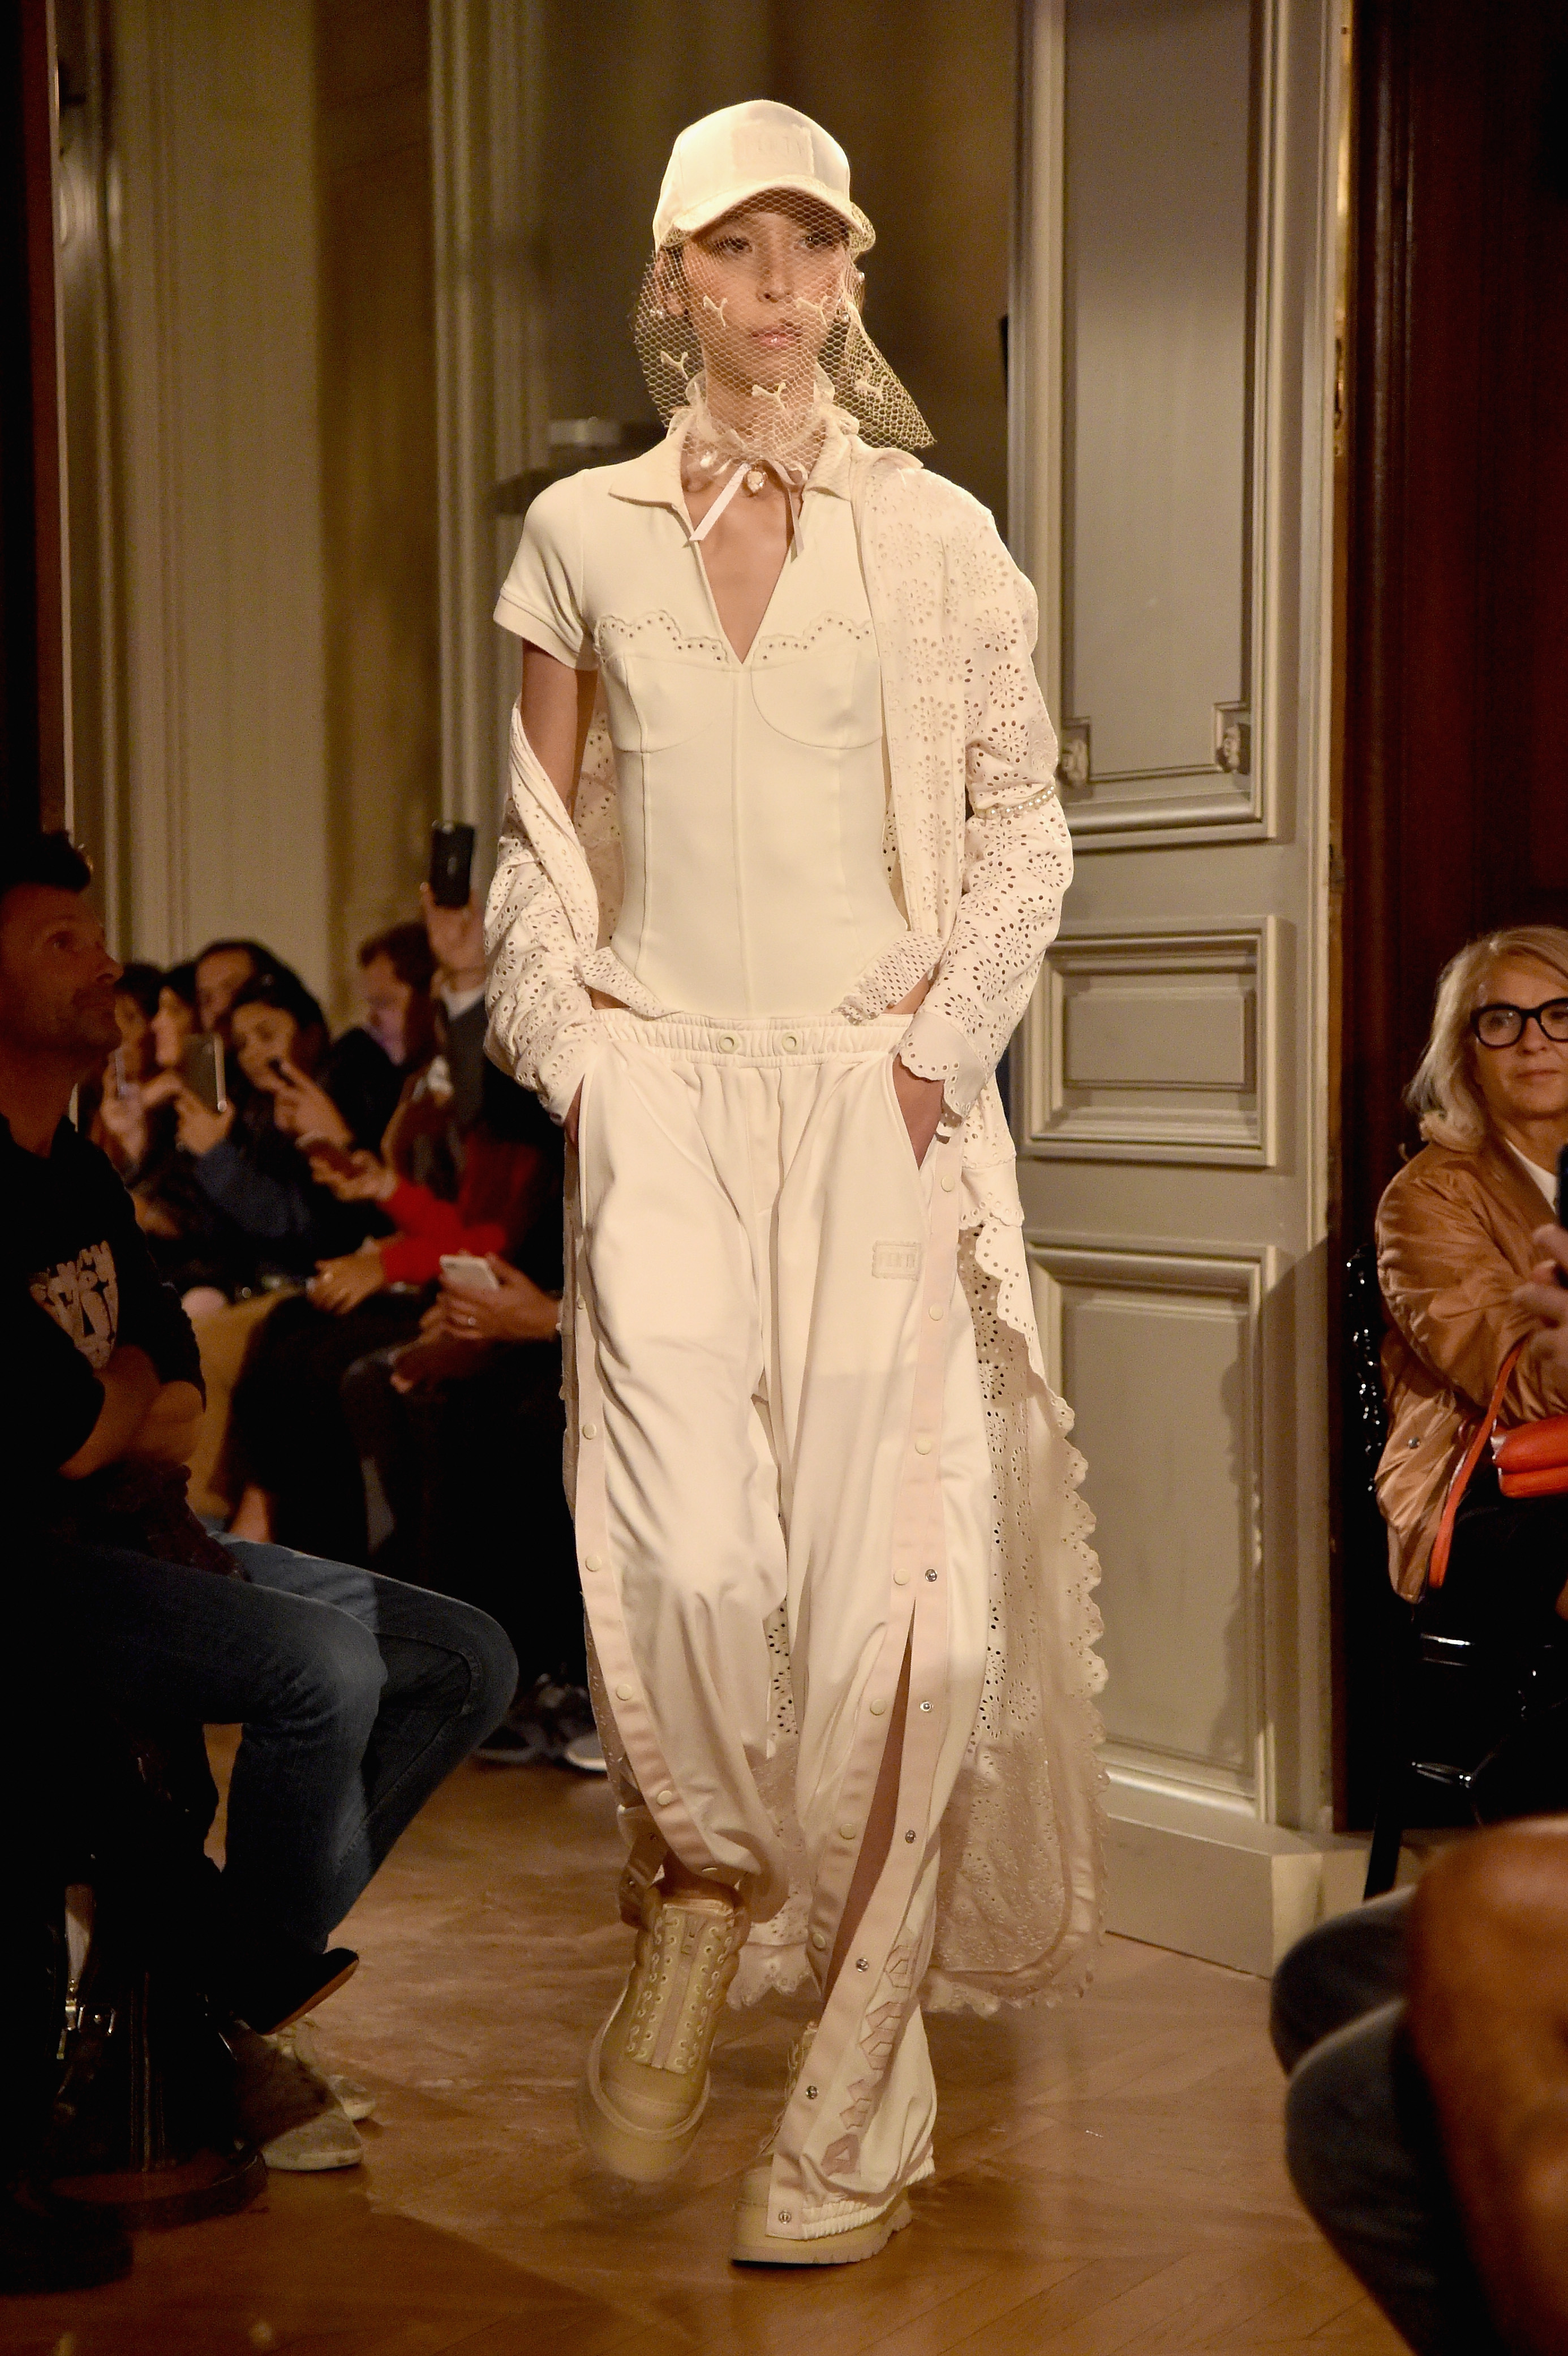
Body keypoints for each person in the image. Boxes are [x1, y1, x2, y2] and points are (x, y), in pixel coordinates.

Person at [486, 100, 1103, 2266]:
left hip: (871, 1092)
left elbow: (1019, 828)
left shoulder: (937, 540)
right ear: (672, 279)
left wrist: (931, 1055)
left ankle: (844, 2117)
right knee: (680, 1556)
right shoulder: (576, 531)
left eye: (807, 247)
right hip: (664, 1088)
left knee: (900, 1620)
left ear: (848, 275)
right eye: (731, 248)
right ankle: (704, 1876)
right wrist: (584, 1066)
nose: (772, 287)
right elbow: (535, 848)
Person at [0, 830, 517, 2172]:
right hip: (40, 1560)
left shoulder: (78, 1170)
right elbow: (80, 1432)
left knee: (464, 1656)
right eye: (63, 940)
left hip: (141, 1521)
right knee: (322, 1663)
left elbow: (171, 1389)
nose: (108, 962)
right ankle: (220, 2020)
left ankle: (199, 1998)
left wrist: (119, 1392)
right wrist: (123, 1391)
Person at [1374, 927, 1568, 1762]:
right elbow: (1512, 1380)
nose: (1532, 1041)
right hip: (1492, 1483)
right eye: (1500, 1020)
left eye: (1559, 1014)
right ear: (1465, 1052)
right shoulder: (1426, 1197)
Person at [319, 921, 438, 1155]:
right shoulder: (400, 1085)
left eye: (384, 1003)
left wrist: (339, 1137)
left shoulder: (463, 1083)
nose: (371, 1020)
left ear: (430, 996)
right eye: (371, 1005)